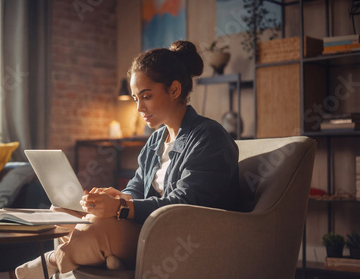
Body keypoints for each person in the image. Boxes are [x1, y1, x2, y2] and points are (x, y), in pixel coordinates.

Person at [15, 40, 242, 278]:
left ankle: (52, 262)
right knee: (63, 212)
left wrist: (123, 208)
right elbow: (136, 187)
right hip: (147, 230)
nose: (139, 107)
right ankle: (108, 256)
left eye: (146, 96)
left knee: (98, 227)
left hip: (179, 239)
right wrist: (114, 197)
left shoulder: (209, 137)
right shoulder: (156, 140)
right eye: (135, 98)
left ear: (174, 90)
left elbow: (186, 204)